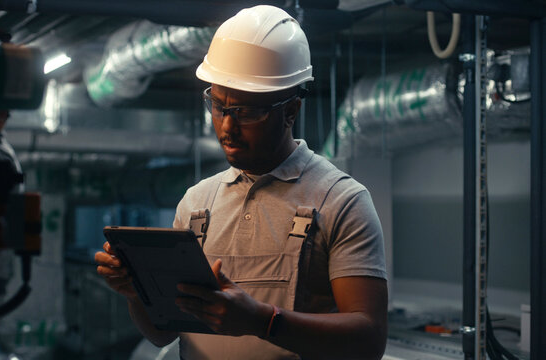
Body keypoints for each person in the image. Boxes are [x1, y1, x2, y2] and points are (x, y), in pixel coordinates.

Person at [95, 5, 388, 360]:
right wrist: (136, 293)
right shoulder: (196, 203)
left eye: (246, 112)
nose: (227, 127)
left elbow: (369, 342)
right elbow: (163, 333)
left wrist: (263, 321)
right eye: (218, 107)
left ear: (290, 111)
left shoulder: (340, 201)